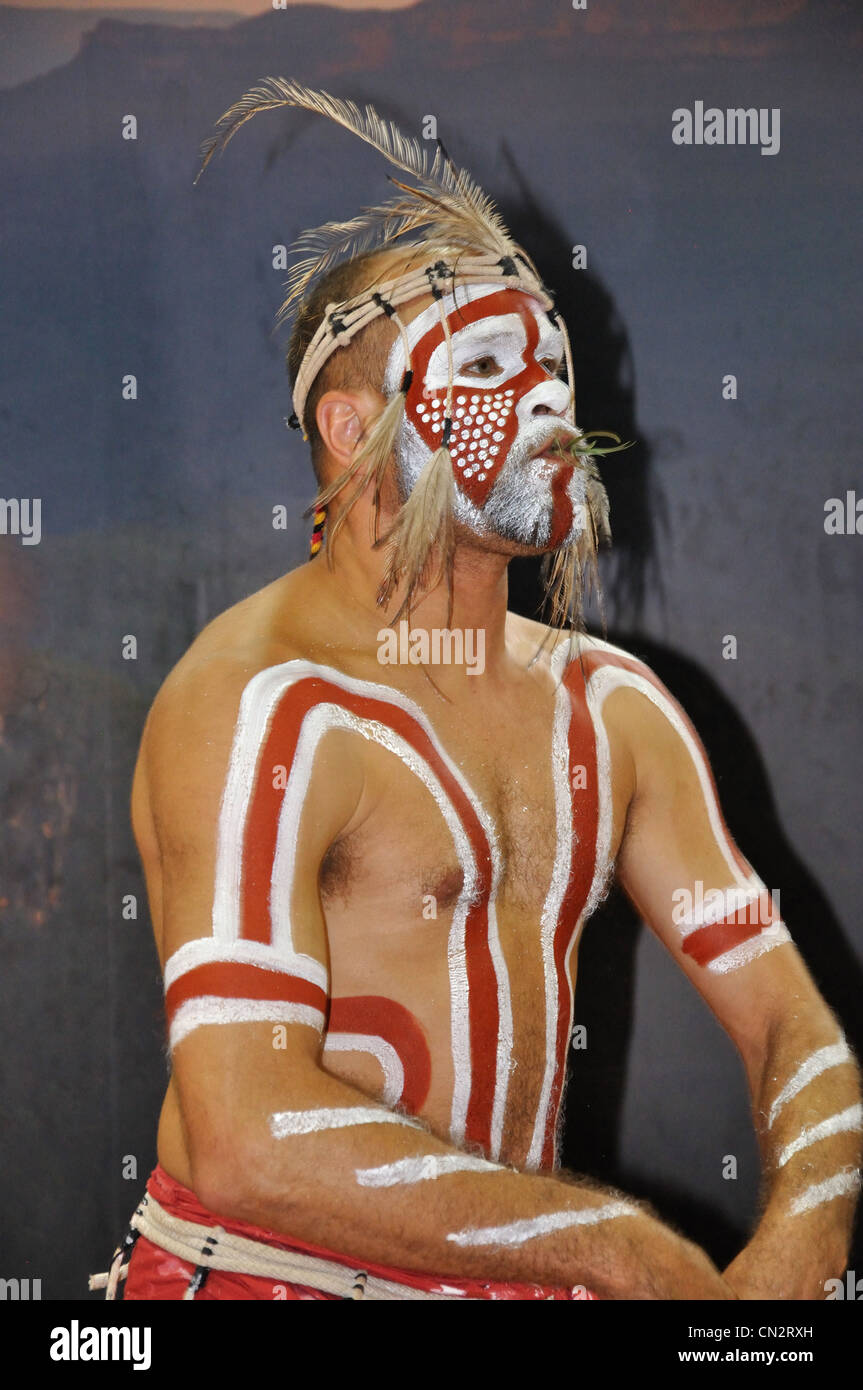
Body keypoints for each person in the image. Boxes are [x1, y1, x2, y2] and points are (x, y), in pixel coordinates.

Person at [96, 80, 861, 1301]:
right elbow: (245, 1134)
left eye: (554, 362)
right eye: (493, 363)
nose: (551, 398)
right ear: (349, 430)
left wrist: (793, 1253)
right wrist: (621, 1248)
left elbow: (789, 1024)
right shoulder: (262, 702)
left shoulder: (608, 710)